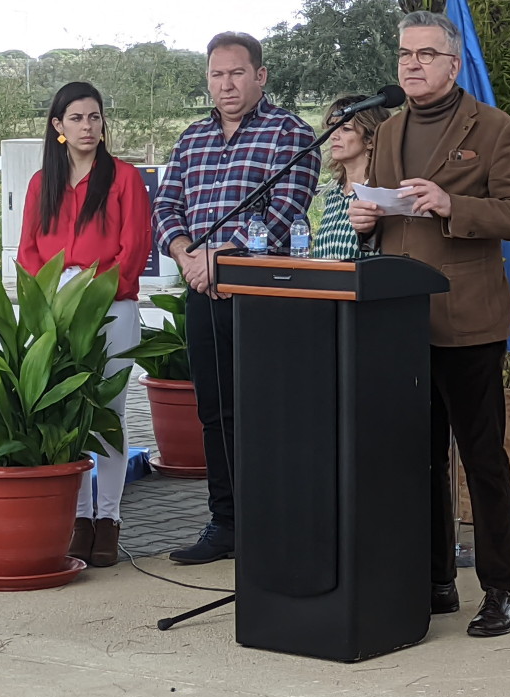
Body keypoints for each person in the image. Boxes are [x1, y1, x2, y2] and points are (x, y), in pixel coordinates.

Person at [348, 11, 510, 638]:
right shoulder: (389, 129)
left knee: (482, 458)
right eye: (404, 54)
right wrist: (367, 219)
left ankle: (501, 589)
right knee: (419, 459)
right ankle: (434, 581)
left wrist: (452, 203)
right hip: (401, 324)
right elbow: (378, 204)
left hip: (469, 319)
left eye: (426, 54)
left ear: (453, 65)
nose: (411, 65)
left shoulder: (493, 129)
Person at [153, 32, 320, 564]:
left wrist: (216, 258)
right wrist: (185, 255)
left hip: (262, 292)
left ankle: (275, 520)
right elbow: (165, 206)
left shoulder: (289, 131)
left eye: (236, 73)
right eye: (216, 75)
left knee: (267, 408)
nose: (225, 84)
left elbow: (286, 210)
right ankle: (225, 522)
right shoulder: (192, 138)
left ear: (260, 76)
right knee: (214, 411)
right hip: (202, 288)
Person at [18, 81, 152, 569]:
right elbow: (29, 251)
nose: (87, 127)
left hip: (111, 306)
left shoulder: (124, 178)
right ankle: (78, 518)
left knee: (109, 413)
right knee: (69, 412)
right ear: (58, 126)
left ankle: (108, 519)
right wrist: (55, 292)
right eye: (76, 118)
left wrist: (97, 289)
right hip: (56, 310)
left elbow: (134, 248)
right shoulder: (41, 184)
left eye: (94, 117)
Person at [311, 96, 390, 260]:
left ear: (370, 140)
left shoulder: (380, 193)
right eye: (332, 127)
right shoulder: (334, 195)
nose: (333, 135)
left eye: (345, 128)